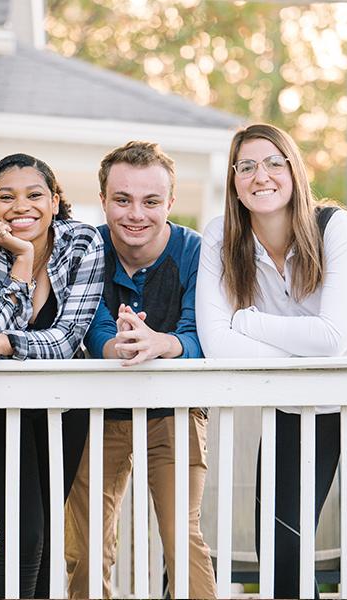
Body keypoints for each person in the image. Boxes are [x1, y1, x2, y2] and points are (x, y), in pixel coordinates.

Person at [196, 123, 347, 598]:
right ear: (234, 181)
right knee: (279, 549)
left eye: (275, 162)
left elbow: (333, 339)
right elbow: (216, 343)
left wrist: (249, 322)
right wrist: (299, 346)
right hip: (294, 397)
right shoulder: (219, 236)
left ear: (294, 172)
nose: (262, 175)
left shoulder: (334, 226)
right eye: (248, 165)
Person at [64, 141, 217, 599]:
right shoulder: (86, 246)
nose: (136, 214)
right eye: (122, 199)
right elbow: (89, 326)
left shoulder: (196, 250)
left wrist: (160, 343)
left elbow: (201, 334)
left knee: (181, 537)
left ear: (170, 203)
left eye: (151, 201)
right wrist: (119, 345)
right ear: (104, 199)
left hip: (174, 412)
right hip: (99, 413)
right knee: (87, 548)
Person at [0, 153, 104, 598]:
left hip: (62, 408)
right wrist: (23, 260)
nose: (22, 206)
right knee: (25, 532)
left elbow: (68, 337)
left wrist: (4, 345)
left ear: (55, 201)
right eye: (7, 197)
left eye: (35, 195)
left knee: (48, 533)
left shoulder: (83, 243)